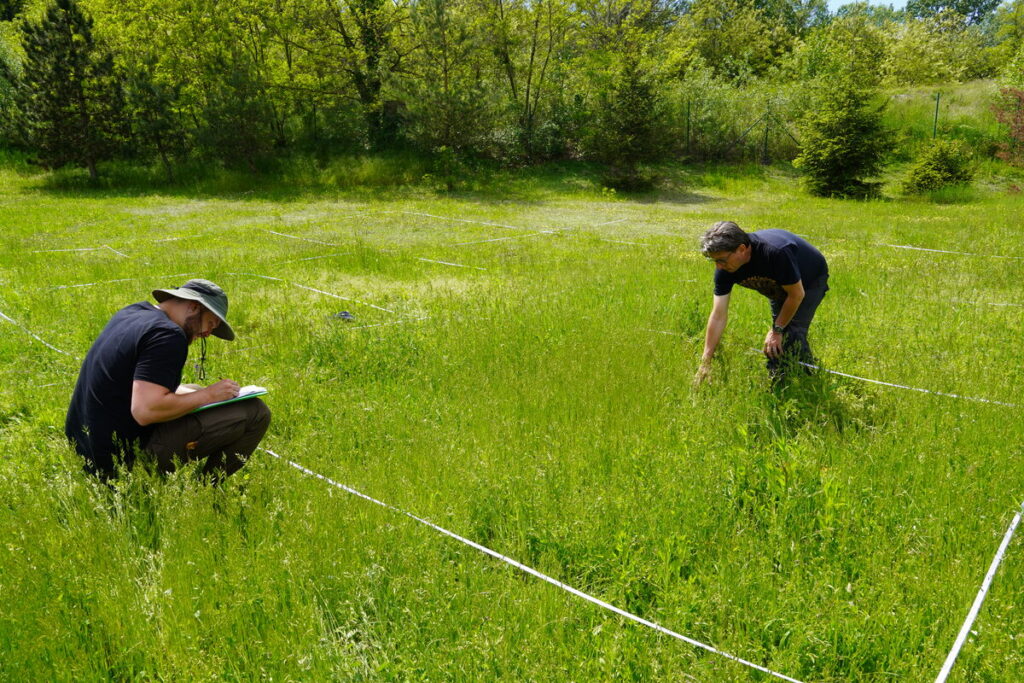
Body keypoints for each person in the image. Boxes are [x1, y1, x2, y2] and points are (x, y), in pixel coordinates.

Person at [65, 279, 270, 481]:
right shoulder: (168, 336)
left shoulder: (133, 313)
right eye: (210, 323)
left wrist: (205, 395)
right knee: (257, 412)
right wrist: (208, 395)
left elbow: (135, 383)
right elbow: (145, 411)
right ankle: (207, 491)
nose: (208, 334)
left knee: (193, 389)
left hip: (87, 449)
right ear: (193, 306)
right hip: (120, 462)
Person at [694, 221, 829, 385]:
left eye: (721, 260)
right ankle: (781, 379)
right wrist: (705, 361)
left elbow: (796, 294)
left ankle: (804, 383)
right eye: (714, 261)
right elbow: (718, 315)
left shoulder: (774, 253)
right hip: (778, 285)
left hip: (809, 280)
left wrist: (777, 330)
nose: (718, 267)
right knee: (780, 339)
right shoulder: (725, 269)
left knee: (789, 333)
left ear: (742, 249)